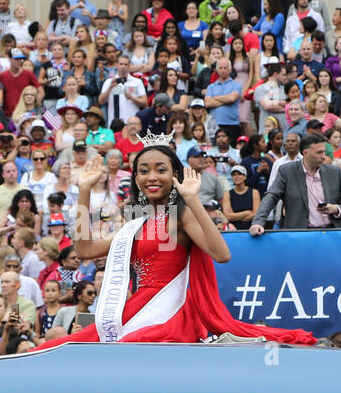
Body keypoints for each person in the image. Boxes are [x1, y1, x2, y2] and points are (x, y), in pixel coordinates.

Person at [40, 138, 315, 346]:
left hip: (170, 313)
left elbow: (222, 254)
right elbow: (84, 250)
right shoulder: (135, 223)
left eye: (161, 169)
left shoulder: (181, 215)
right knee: (61, 345)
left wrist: (194, 202)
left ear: (175, 175)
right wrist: (84, 192)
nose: (152, 177)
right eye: (144, 171)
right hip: (134, 309)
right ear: (135, 179)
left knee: (126, 348)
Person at [248, 132, 341, 232]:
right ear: (305, 153)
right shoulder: (287, 171)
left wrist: (336, 209)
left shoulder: (334, 172)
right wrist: (258, 222)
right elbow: (271, 196)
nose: (324, 156)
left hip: (333, 234)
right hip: (301, 235)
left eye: (324, 152)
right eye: (319, 152)